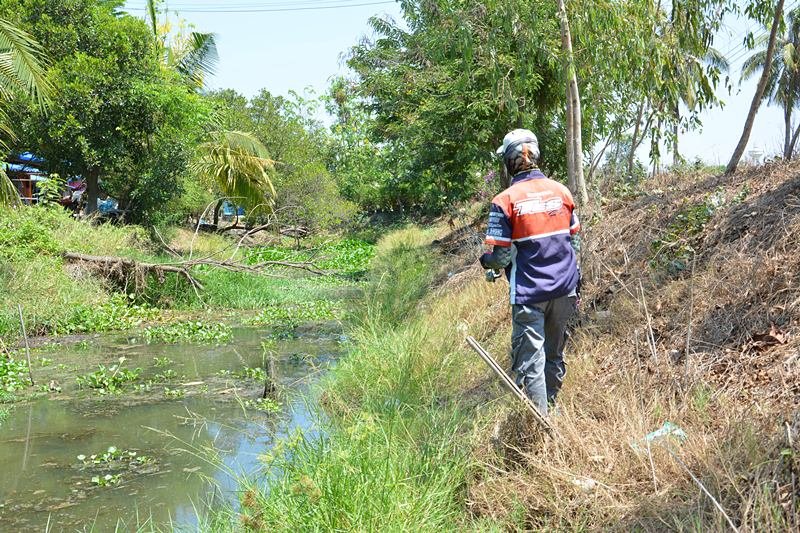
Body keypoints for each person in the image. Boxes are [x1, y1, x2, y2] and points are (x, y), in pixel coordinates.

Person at [480, 128, 581, 417]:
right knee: (554, 354)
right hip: (565, 288)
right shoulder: (562, 191)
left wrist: (485, 263)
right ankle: (551, 409)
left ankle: (540, 425)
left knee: (531, 360)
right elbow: (574, 242)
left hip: (528, 293)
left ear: (509, 162)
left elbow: (499, 257)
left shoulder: (504, 200)